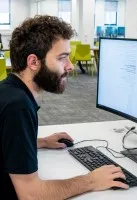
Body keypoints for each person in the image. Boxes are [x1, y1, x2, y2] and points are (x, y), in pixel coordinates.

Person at [0, 15, 128, 200]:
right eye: (62, 58)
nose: (70, 66)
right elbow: (31, 195)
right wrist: (90, 181)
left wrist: (39, 142)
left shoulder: (8, 90)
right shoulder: (18, 106)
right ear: (34, 62)